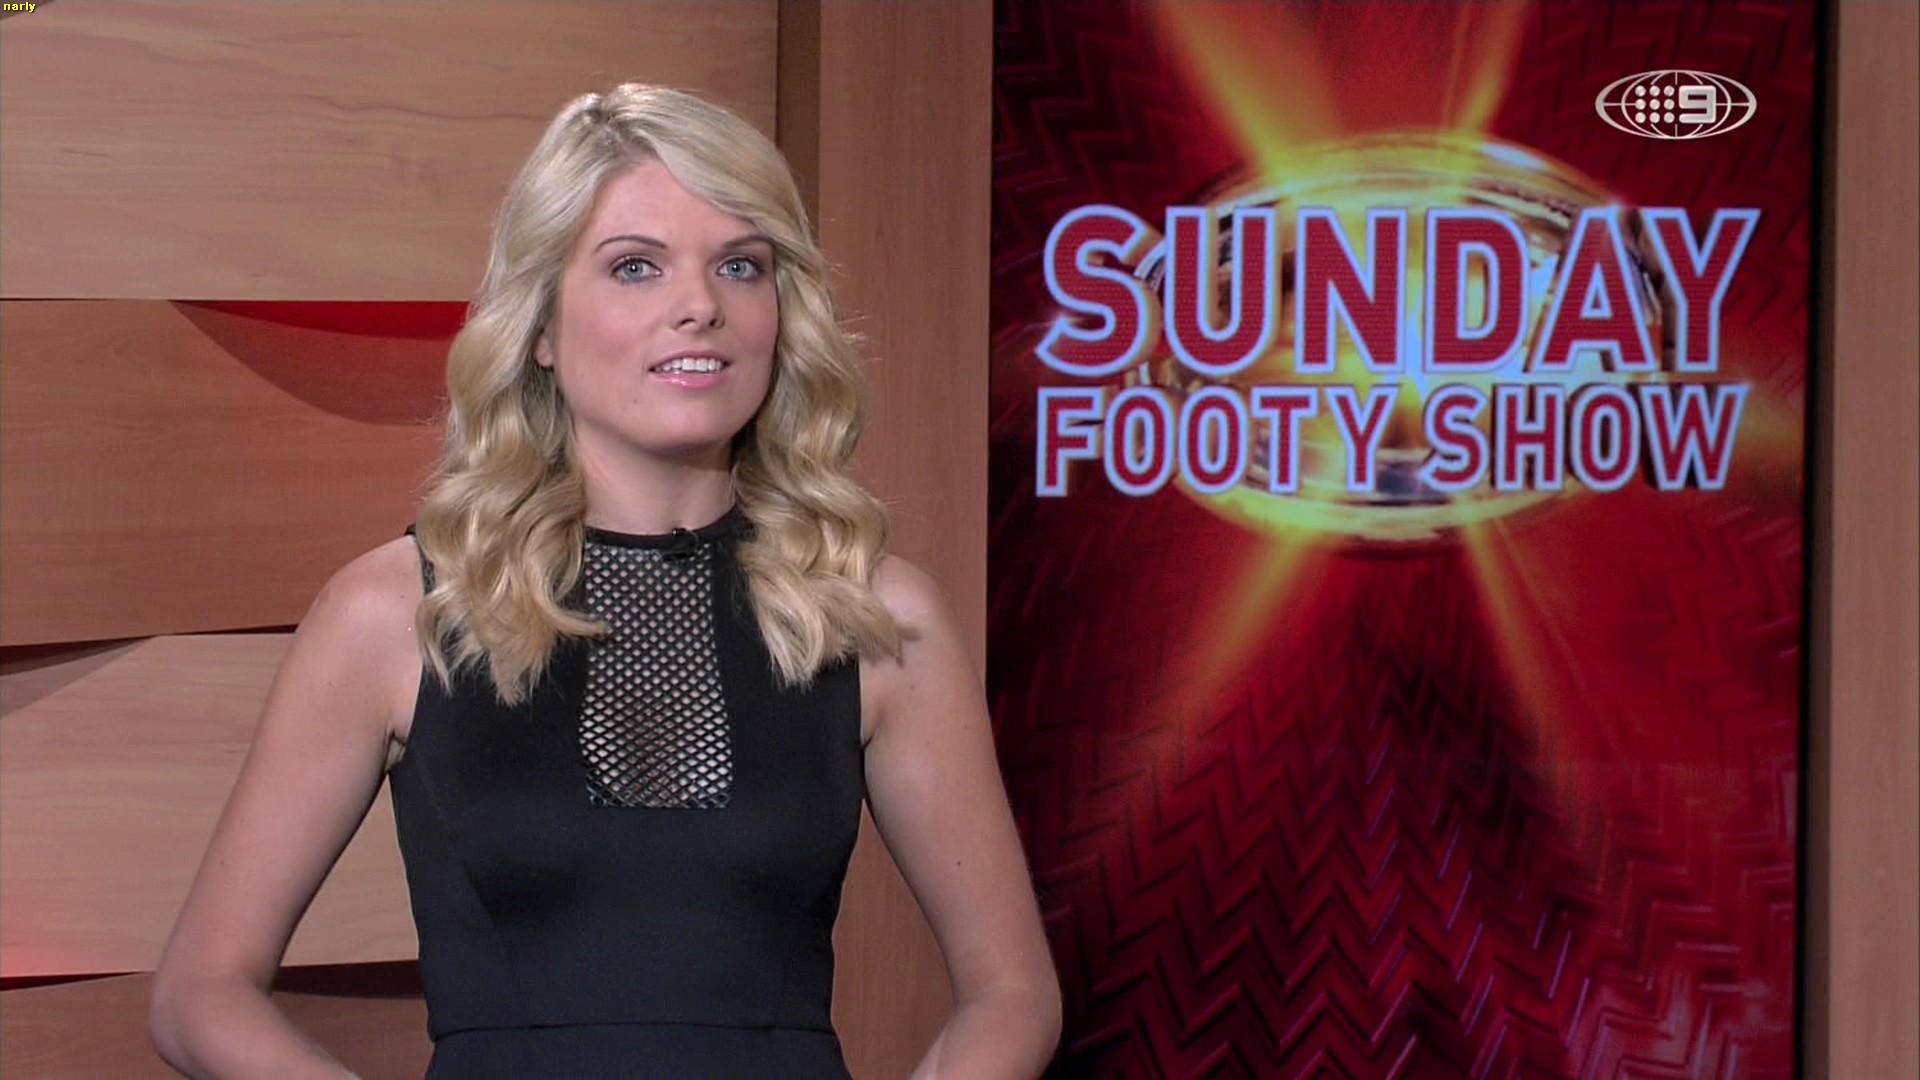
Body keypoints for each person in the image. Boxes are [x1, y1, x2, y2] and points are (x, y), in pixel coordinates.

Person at [148, 83, 1061, 1079]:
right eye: (636, 266)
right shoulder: (396, 612)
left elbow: (1012, 995)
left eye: (741, 265)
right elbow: (202, 994)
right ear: (540, 325)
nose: (701, 306)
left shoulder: (877, 615)